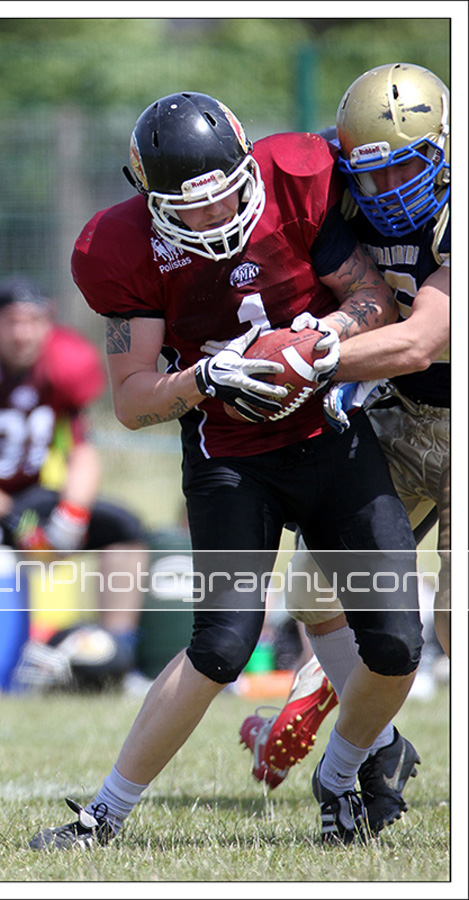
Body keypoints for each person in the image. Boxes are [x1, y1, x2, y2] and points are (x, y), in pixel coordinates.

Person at [28, 91, 423, 850]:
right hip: (231, 456)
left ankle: (341, 774)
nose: (212, 217)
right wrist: (204, 379)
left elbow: (370, 295)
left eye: (223, 196)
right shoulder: (122, 247)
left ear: (248, 168)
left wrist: (325, 339)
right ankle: (102, 815)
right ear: (151, 200)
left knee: (397, 642)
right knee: (220, 644)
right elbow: (131, 400)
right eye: (189, 207)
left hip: (332, 435)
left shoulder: (296, 180)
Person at [240, 63, 450, 830]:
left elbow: (421, 339)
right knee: (315, 590)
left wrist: (303, 358)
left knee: (454, 619)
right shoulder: (335, 190)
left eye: (405, 164)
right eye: (372, 169)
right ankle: (374, 745)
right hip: (401, 410)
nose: (387, 186)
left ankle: (340, 741)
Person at [0, 277, 149, 704]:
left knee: (124, 528)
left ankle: (116, 660)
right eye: (11, 322)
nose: (23, 333)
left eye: (33, 321)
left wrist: (72, 515)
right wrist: (15, 519)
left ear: (48, 325)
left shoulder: (61, 368)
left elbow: (83, 454)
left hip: (26, 498)